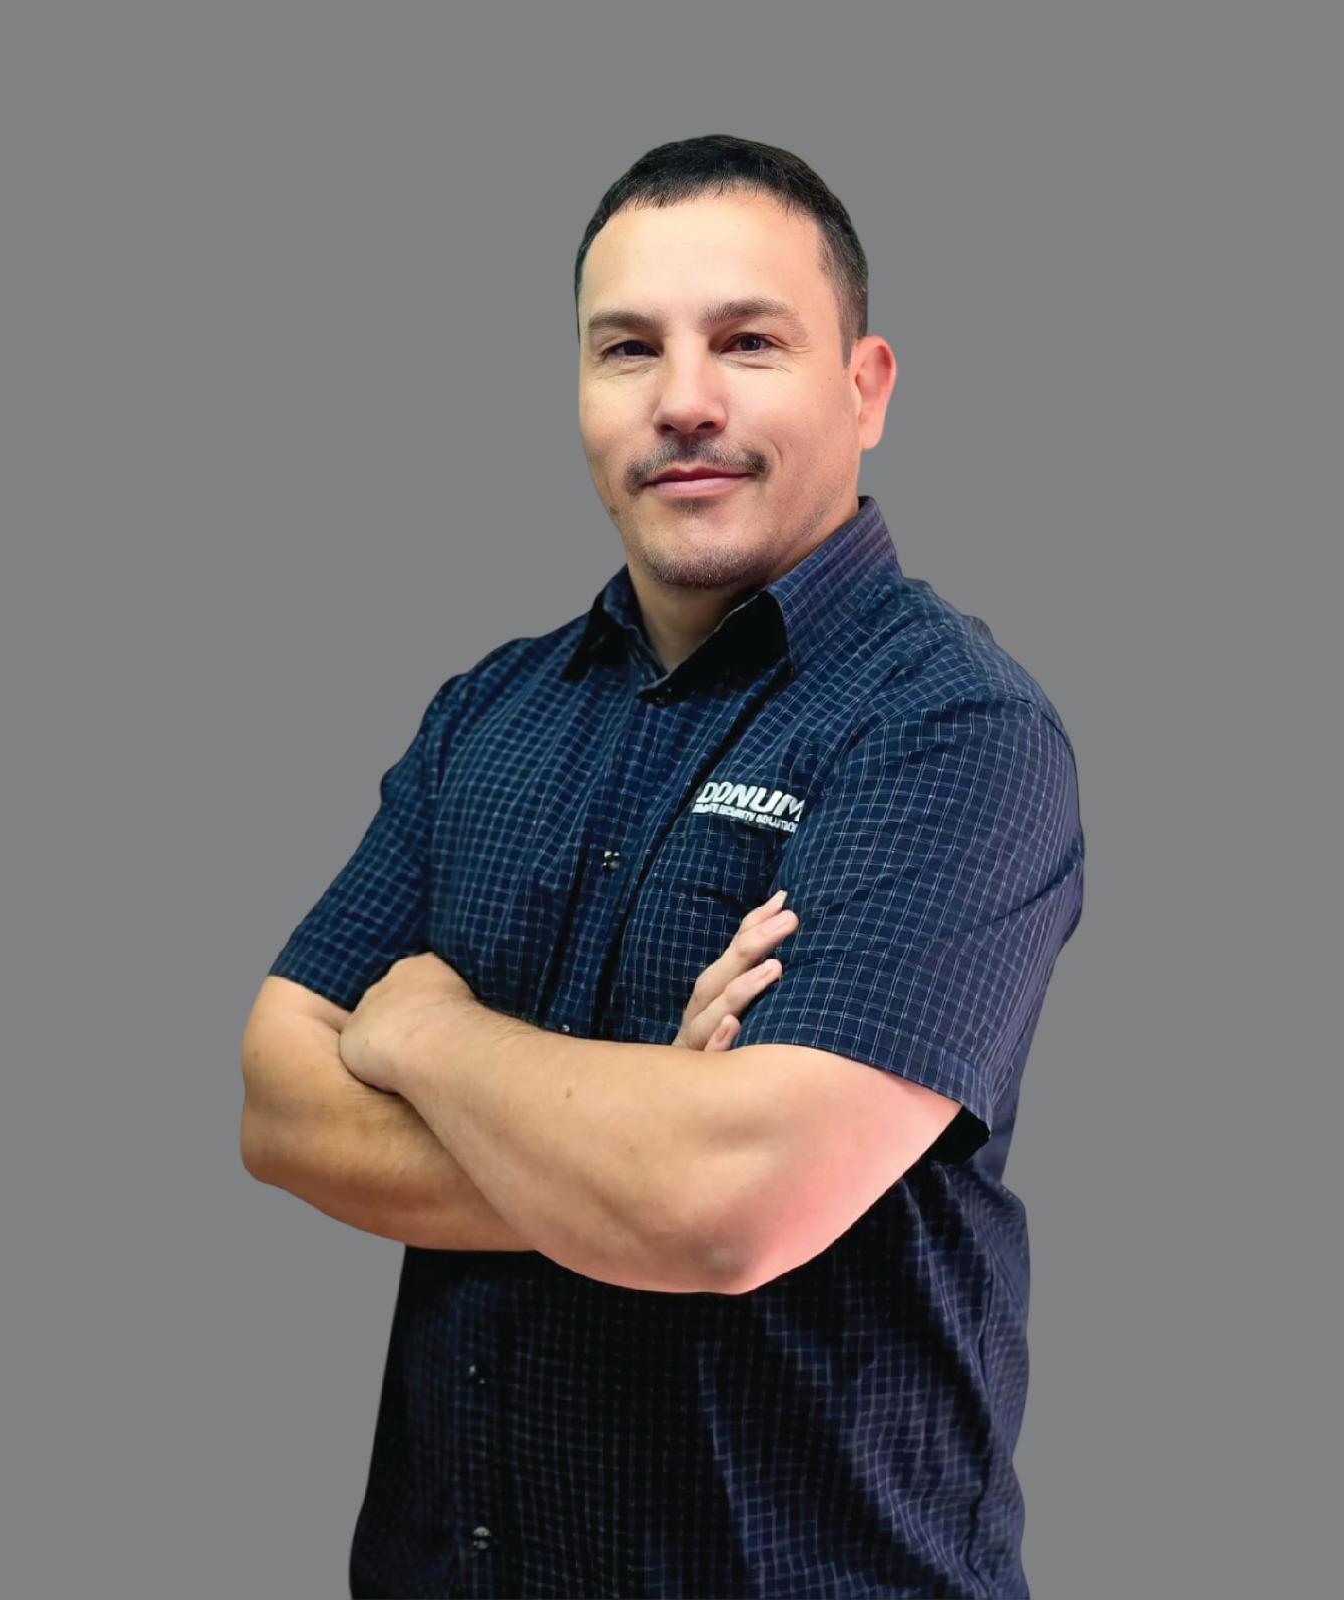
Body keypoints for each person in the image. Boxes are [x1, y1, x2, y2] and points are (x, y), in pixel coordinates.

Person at [241, 134, 1083, 1600]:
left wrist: (429, 1034)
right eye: (628, 348)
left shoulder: (950, 729)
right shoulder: (488, 714)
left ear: (866, 388)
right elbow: (278, 1104)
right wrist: (632, 1135)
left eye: (749, 341)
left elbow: (725, 1204)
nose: (684, 399)